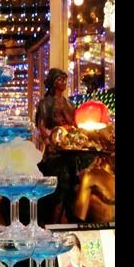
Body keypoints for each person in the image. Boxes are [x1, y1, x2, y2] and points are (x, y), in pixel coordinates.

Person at [35, 69, 81, 223]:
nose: (64, 82)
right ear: (54, 82)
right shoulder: (45, 103)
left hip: (70, 150)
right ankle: (52, 220)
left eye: (65, 79)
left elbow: (75, 124)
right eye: (61, 79)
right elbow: (42, 126)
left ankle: (69, 216)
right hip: (55, 150)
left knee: (72, 185)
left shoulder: (69, 103)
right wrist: (49, 143)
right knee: (58, 187)